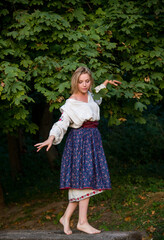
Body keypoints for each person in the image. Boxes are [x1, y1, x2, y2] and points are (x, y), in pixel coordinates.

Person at [34, 66, 121, 235]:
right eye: (81, 82)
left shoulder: (91, 96)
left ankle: (68, 218)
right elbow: (61, 123)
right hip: (79, 143)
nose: (84, 84)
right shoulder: (71, 102)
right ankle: (81, 221)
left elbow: (97, 97)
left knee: (83, 182)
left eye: (87, 81)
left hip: (92, 140)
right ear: (75, 82)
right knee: (83, 181)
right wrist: (51, 137)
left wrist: (105, 84)